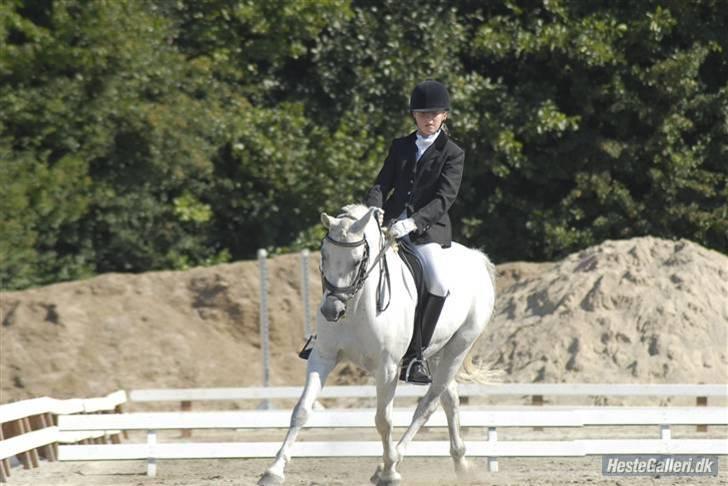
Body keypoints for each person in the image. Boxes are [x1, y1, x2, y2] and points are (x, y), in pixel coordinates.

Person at [364, 80, 465, 384]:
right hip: (389, 223)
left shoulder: (453, 153)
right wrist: (373, 209)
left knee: (437, 283)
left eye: (434, 113)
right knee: (348, 257)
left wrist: (414, 221)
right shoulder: (400, 145)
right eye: (422, 113)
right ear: (414, 116)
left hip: (426, 231)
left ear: (444, 115)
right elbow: (382, 184)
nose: (428, 118)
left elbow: (445, 198)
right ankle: (326, 333)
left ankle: (415, 355)